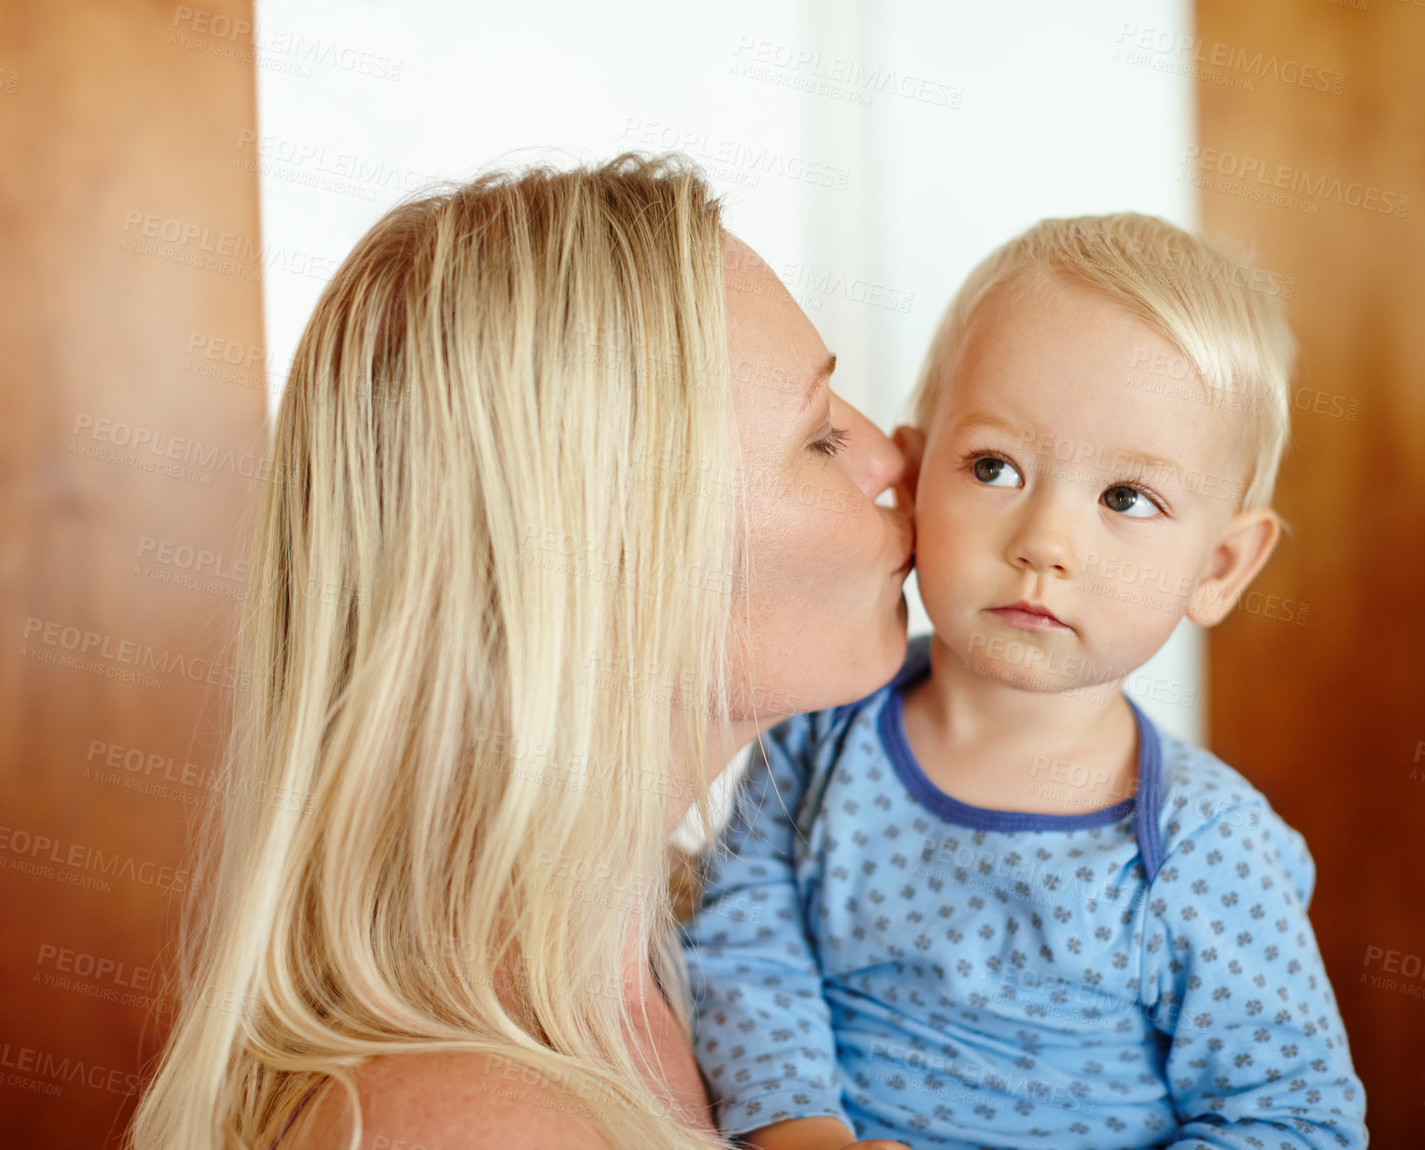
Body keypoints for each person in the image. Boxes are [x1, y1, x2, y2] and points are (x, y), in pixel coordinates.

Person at [127, 153, 922, 1150]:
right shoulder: (460, 1127)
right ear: (610, 564)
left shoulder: (714, 941)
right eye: (820, 437)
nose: (894, 456)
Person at [684, 214, 1368, 1149]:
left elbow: (1293, 1120)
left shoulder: (1203, 848)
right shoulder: (823, 731)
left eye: (1127, 498)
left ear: (1219, 567)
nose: (1045, 542)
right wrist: (802, 1128)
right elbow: (741, 941)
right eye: (995, 467)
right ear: (918, 480)